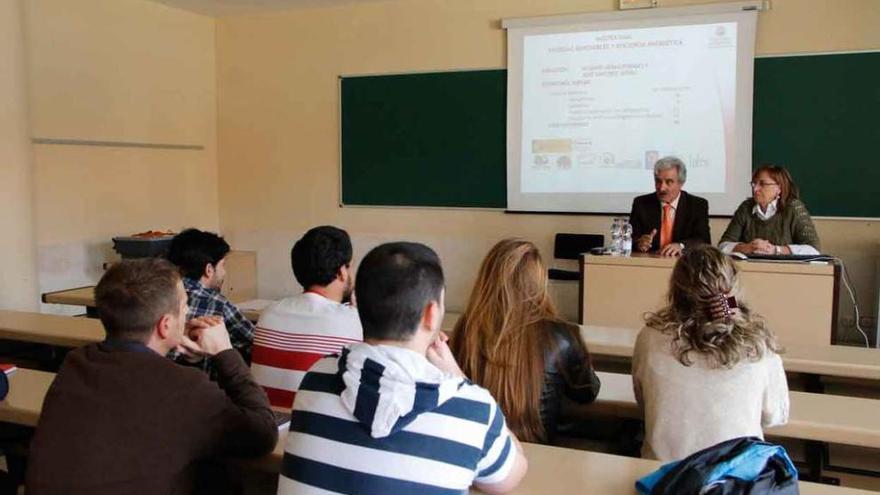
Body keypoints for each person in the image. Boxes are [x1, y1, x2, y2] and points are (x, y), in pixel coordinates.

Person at [278, 242, 527, 494]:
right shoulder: (472, 408)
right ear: (431, 314)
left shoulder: (317, 377)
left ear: (356, 304)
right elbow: (509, 477)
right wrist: (458, 376)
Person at [26, 258, 277, 494]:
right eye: (183, 305)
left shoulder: (75, 363)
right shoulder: (186, 387)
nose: (188, 310)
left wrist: (168, 352)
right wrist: (225, 352)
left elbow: (136, 391)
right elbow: (263, 434)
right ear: (165, 325)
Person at [632, 245, 789, 462]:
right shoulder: (759, 342)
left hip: (664, 480)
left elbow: (644, 403)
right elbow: (774, 415)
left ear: (675, 291)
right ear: (733, 290)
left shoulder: (649, 337)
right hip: (734, 480)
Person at [450, 238, 601, 444]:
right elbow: (586, 393)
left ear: (486, 279)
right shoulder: (563, 335)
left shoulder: (465, 328)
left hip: (475, 452)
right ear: (540, 282)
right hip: (535, 453)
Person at [252, 226, 362, 408]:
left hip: (268, 424)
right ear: (342, 271)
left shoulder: (269, 312)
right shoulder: (355, 321)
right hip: (312, 427)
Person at [166, 228, 256, 371]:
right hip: (203, 387)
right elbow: (256, 342)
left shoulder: (158, 295)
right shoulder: (217, 303)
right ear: (209, 269)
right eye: (223, 265)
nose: (224, 272)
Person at [719, 165, 820, 255]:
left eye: (762, 184)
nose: (755, 189)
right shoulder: (745, 207)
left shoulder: (794, 208)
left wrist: (775, 250)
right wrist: (748, 247)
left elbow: (813, 249)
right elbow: (723, 245)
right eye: (754, 183)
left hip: (786, 272)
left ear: (779, 188)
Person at [629, 156, 711, 257]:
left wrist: (681, 246)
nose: (662, 187)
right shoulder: (641, 203)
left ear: (681, 183)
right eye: (658, 181)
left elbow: (703, 240)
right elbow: (630, 238)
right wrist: (639, 242)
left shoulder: (697, 205)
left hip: (683, 263)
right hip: (650, 262)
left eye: (669, 182)